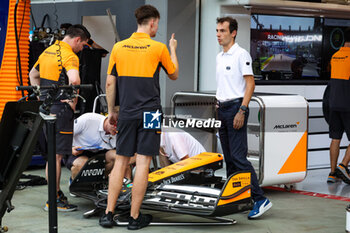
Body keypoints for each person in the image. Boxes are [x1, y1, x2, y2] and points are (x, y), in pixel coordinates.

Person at [99, 5, 178, 229]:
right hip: (151, 112)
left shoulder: (119, 47)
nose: (157, 28)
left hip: (127, 112)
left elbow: (110, 82)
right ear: (152, 22)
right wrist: (172, 48)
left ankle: (108, 214)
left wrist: (112, 111)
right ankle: (134, 218)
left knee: (121, 161)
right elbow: (174, 74)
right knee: (143, 162)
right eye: (157, 24)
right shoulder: (158, 48)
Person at [29, 24, 91, 212]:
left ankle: (54, 195)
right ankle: (53, 200)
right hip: (61, 111)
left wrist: (41, 97)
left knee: (52, 156)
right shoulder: (70, 55)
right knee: (56, 157)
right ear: (77, 40)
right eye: (83, 45)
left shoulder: (47, 51)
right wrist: (72, 102)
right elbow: (74, 80)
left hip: (47, 109)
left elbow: (34, 75)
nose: (82, 49)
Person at [215, 16, 272, 219]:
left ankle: (259, 199)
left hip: (236, 109)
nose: (218, 35)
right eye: (217, 31)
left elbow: (250, 84)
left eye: (222, 31)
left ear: (233, 32)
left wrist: (242, 110)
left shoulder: (241, 55)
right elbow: (224, 85)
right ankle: (237, 197)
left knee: (239, 158)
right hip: (221, 109)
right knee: (229, 158)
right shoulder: (220, 56)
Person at [327, 27, 350, 184]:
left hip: (333, 103)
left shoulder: (335, 56)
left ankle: (332, 173)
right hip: (348, 104)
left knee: (336, 138)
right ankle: (343, 165)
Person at [66, 113, 117, 180]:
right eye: (116, 125)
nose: (117, 129)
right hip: (78, 150)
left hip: (100, 152)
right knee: (83, 163)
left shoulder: (120, 131)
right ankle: (76, 184)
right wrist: (70, 149)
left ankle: (100, 182)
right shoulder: (88, 119)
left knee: (118, 157)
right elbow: (64, 135)